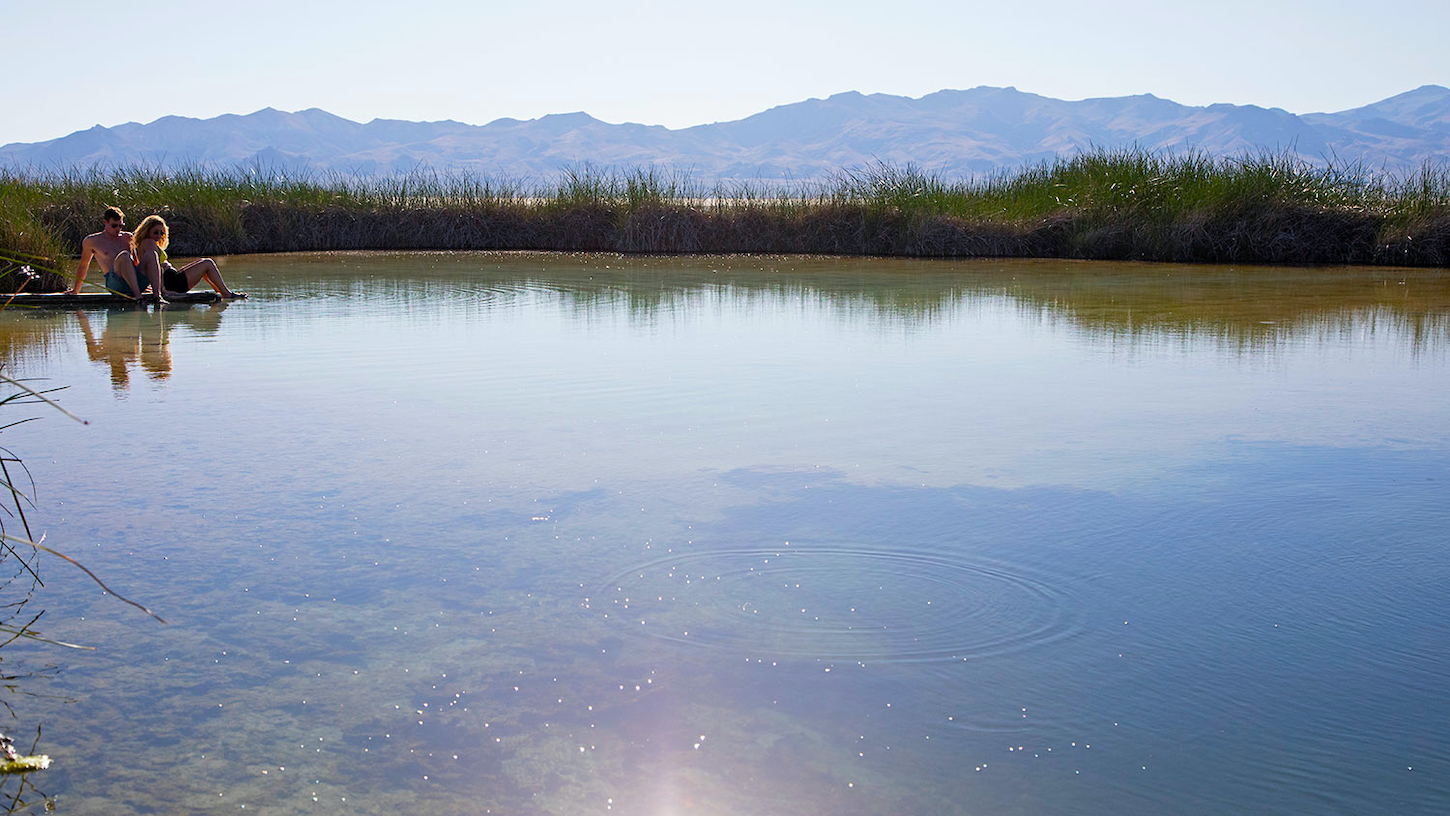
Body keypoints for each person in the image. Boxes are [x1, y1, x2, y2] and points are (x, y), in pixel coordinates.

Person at [114, 215, 247, 303]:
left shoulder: (143, 243)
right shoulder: (148, 243)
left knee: (203, 263)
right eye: (155, 232)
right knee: (207, 263)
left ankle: (222, 291)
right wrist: (162, 290)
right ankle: (226, 294)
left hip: (172, 278)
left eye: (161, 233)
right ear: (147, 231)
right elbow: (155, 267)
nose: (159, 236)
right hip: (172, 283)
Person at [70, 206, 147, 297]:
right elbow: (84, 265)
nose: (118, 229)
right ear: (105, 222)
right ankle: (138, 296)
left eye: (120, 226)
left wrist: (144, 285)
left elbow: (136, 262)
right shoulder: (92, 241)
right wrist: (76, 290)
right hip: (114, 282)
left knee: (150, 255)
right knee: (124, 255)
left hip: (133, 281)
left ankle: (157, 292)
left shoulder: (127, 237)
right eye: (114, 225)